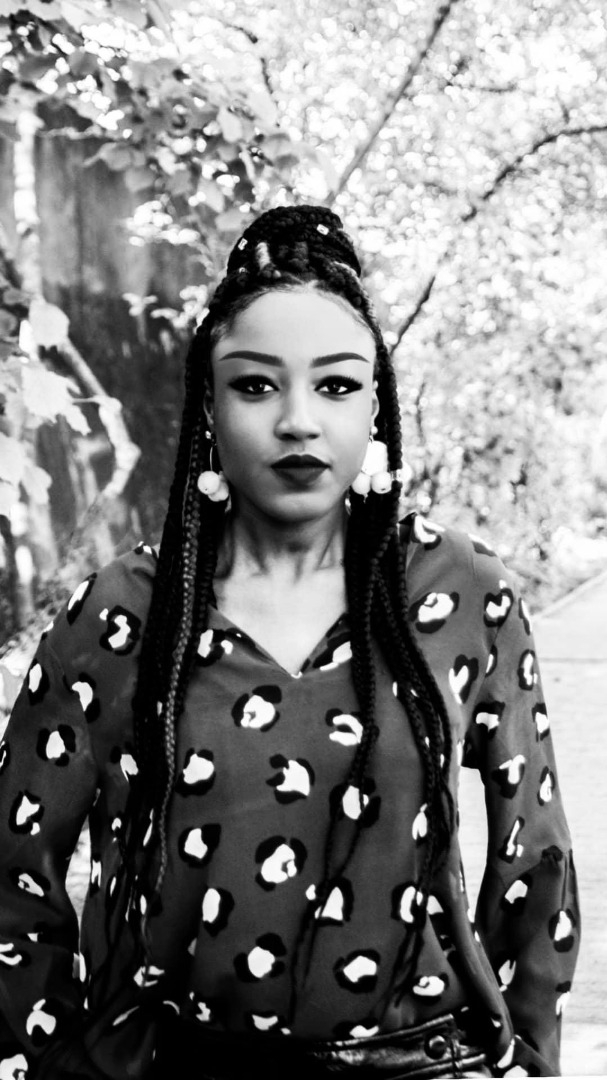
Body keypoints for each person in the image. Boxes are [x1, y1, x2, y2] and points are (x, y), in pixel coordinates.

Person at [0, 205, 579, 1080]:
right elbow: (15, 873)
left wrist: (528, 1059)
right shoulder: (122, 615)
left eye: (336, 386)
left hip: (421, 1062)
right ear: (208, 404)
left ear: (375, 405)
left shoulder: (463, 594)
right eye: (256, 385)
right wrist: (49, 1061)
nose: (299, 421)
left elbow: (533, 862)